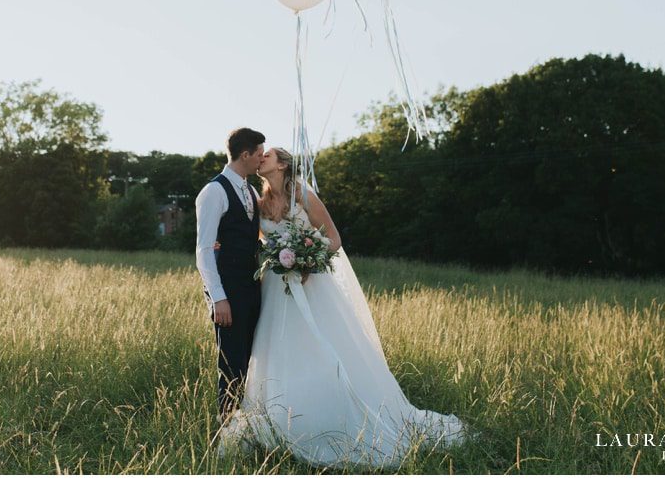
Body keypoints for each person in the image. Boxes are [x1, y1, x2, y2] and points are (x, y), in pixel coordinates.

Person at [216, 146, 476, 469]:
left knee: (322, 348)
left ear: (282, 163)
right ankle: (282, 416)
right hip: (276, 291)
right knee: (279, 352)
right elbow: (244, 235)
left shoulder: (303, 195)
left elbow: (333, 238)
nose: (261, 158)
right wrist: (220, 243)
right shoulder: (258, 202)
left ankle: (333, 410)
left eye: (267, 154)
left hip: (310, 284)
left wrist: (308, 259)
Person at [194, 127, 266, 420]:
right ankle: (226, 432)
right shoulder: (214, 191)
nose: (262, 160)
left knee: (251, 361)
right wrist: (218, 298)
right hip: (229, 290)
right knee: (231, 363)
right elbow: (203, 251)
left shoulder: (249, 189)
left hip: (252, 286)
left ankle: (247, 424)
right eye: (259, 155)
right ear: (245, 155)